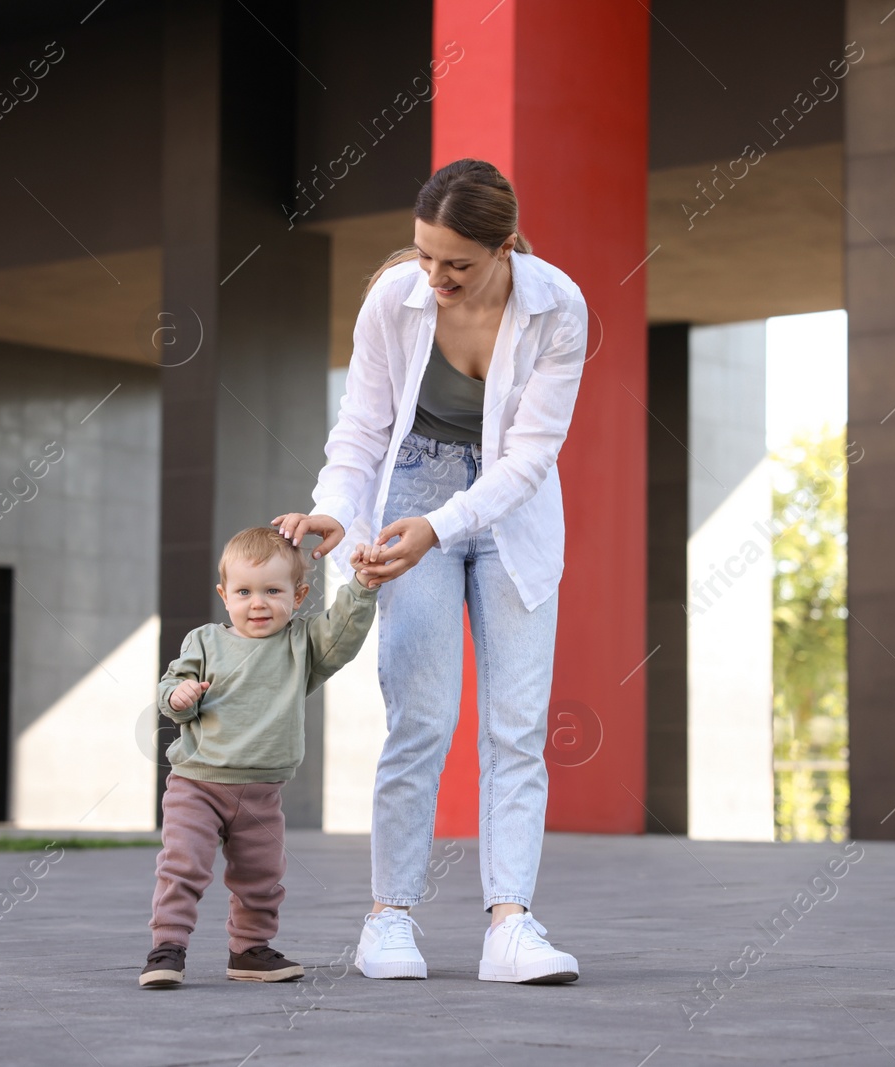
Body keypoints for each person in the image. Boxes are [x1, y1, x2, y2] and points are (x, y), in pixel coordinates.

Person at [272, 158, 589, 984]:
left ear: (504, 246)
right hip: (410, 482)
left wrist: (442, 527)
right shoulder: (395, 298)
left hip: (510, 507)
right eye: (424, 255)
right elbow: (361, 429)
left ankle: (510, 925)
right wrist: (342, 509)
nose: (436, 277)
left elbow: (528, 458)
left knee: (517, 726)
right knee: (420, 716)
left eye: (457, 263)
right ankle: (389, 917)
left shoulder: (558, 306)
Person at [139, 526, 380, 988]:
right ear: (224, 594)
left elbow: (343, 635)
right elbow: (170, 687)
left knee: (261, 878)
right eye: (245, 591)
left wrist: (362, 587)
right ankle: (167, 947)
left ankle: (248, 951)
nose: (258, 603)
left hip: (263, 792)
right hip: (198, 783)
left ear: (299, 593)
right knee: (183, 866)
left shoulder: (303, 644)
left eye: (273, 591)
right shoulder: (205, 641)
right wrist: (180, 696)